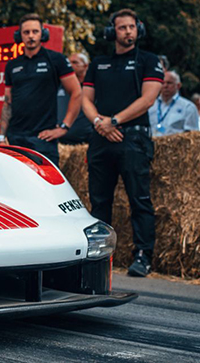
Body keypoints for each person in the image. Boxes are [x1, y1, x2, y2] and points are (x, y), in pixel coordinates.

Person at [82, 8, 163, 277]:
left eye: (131, 27)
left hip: (133, 138)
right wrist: (100, 124)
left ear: (138, 29)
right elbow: (85, 99)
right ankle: (99, 256)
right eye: (122, 27)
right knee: (99, 200)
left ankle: (142, 255)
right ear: (111, 32)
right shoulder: (98, 63)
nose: (128, 31)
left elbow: (148, 99)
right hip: (101, 137)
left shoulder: (149, 61)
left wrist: (113, 121)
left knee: (139, 199)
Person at [0, 14, 81, 166]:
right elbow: (7, 103)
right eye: (26, 32)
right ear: (19, 36)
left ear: (42, 34)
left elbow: (77, 92)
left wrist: (64, 127)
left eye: (35, 32)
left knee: (43, 189)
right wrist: (1, 137)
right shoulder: (12, 65)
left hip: (43, 140)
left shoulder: (56, 60)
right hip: (15, 138)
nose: (31, 36)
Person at [147, 70, 199, 136]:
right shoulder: (151, 105)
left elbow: (192, 136)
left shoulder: (188, 107)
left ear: (178, 85)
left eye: (169, 83)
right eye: (163, 83)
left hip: (175, 145)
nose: (165, 86)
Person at [58, 52, 94, 144]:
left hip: (84, 141)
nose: (70, 65)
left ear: (85, 66)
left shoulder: (91, 88)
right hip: (61, 141)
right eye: (69, 62)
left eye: (75, 62)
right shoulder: (60, 86)